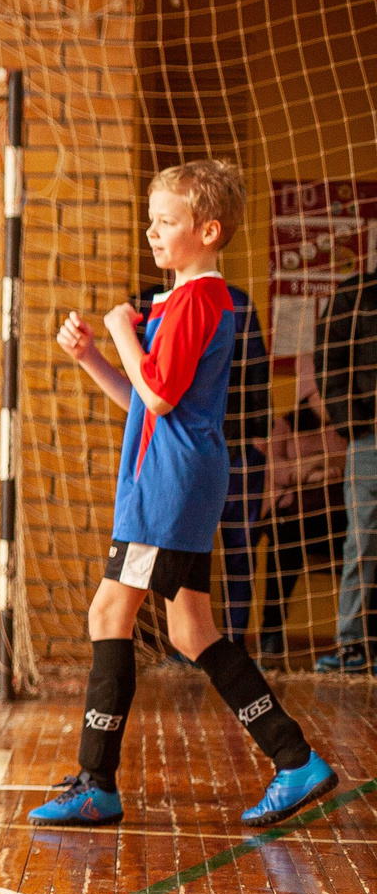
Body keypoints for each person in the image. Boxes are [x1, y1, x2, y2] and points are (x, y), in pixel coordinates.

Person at [32, 160, 337, 828]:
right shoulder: (179, 302)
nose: (152, 233)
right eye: (151, 220)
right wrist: (93, 358)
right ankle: (294, 758)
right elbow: (143, 402)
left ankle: (96, 780)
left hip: (168, 487)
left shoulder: (202, 299)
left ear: (207, 229)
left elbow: (161, 395)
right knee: (190, 627)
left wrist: (117, 328)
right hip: (170, 476)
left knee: (109, 612)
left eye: (165, 222)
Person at [140, 274, 270, 653]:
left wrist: (260, 441)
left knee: (225, 547)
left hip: (221, 447)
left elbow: (257, 375)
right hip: (201, 447)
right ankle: (210, 643)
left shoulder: (235, 303)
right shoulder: (155, 303)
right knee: (202, 549)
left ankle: (224, 643)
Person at [312, 263, 377, 672]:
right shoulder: (354, 296)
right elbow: (328, 363)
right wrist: (352, 422)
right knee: (363, 541)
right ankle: (352, 643)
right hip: (369, 438)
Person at [261, 397, 348, 660]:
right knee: (284, 543)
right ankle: (271, 632)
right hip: (297, 516)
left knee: (366, 548)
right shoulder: (284, 426)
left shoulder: (346, 425)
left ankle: (361, 639)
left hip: (339, 516)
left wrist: (306, 469)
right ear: (310, 396)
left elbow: (347, 466)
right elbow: (276, 472)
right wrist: (317, 468)